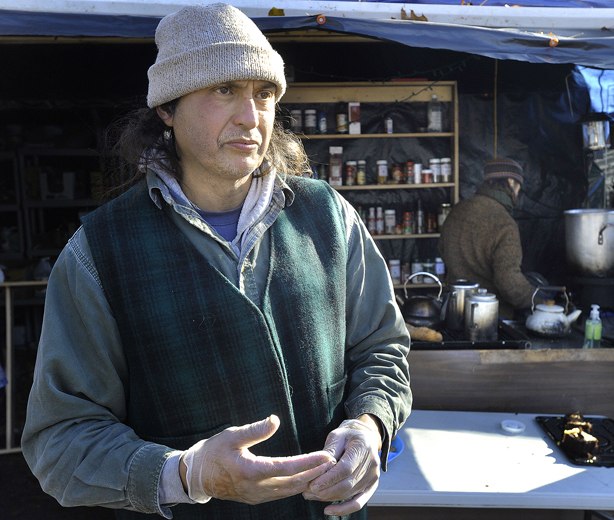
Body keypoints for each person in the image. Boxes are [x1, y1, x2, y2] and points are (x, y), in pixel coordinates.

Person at [21, 4, 412, 520]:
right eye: (223, 90)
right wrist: (188, 473)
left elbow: (382, 348)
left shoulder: (327, 216)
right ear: (167, 107)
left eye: (264, 94)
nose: (251, 118)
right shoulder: (99, 253)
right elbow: (62, 440)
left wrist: (370, 425)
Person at [438, 158, 536, 319]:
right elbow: (509, 282)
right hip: (490, 318)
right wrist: (539, 303)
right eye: (518, 187)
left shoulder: (457, 211)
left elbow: (442, 251)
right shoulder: (504, 223)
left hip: (453, 312)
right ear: (511, 182)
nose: (518, 193)